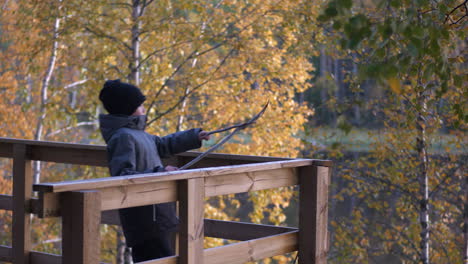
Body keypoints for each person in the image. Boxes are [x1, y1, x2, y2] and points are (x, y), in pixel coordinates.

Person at [98, 79, 209, 262]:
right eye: (140, 105)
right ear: (128, 108)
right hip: (143, 220)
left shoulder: (140, 135)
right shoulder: (123, 138)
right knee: (155, 258)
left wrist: (193, 137)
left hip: (158, 214)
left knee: (161, 257)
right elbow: (123, 176)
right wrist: (161, 172)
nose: (144, 109)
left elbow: (164, 144)